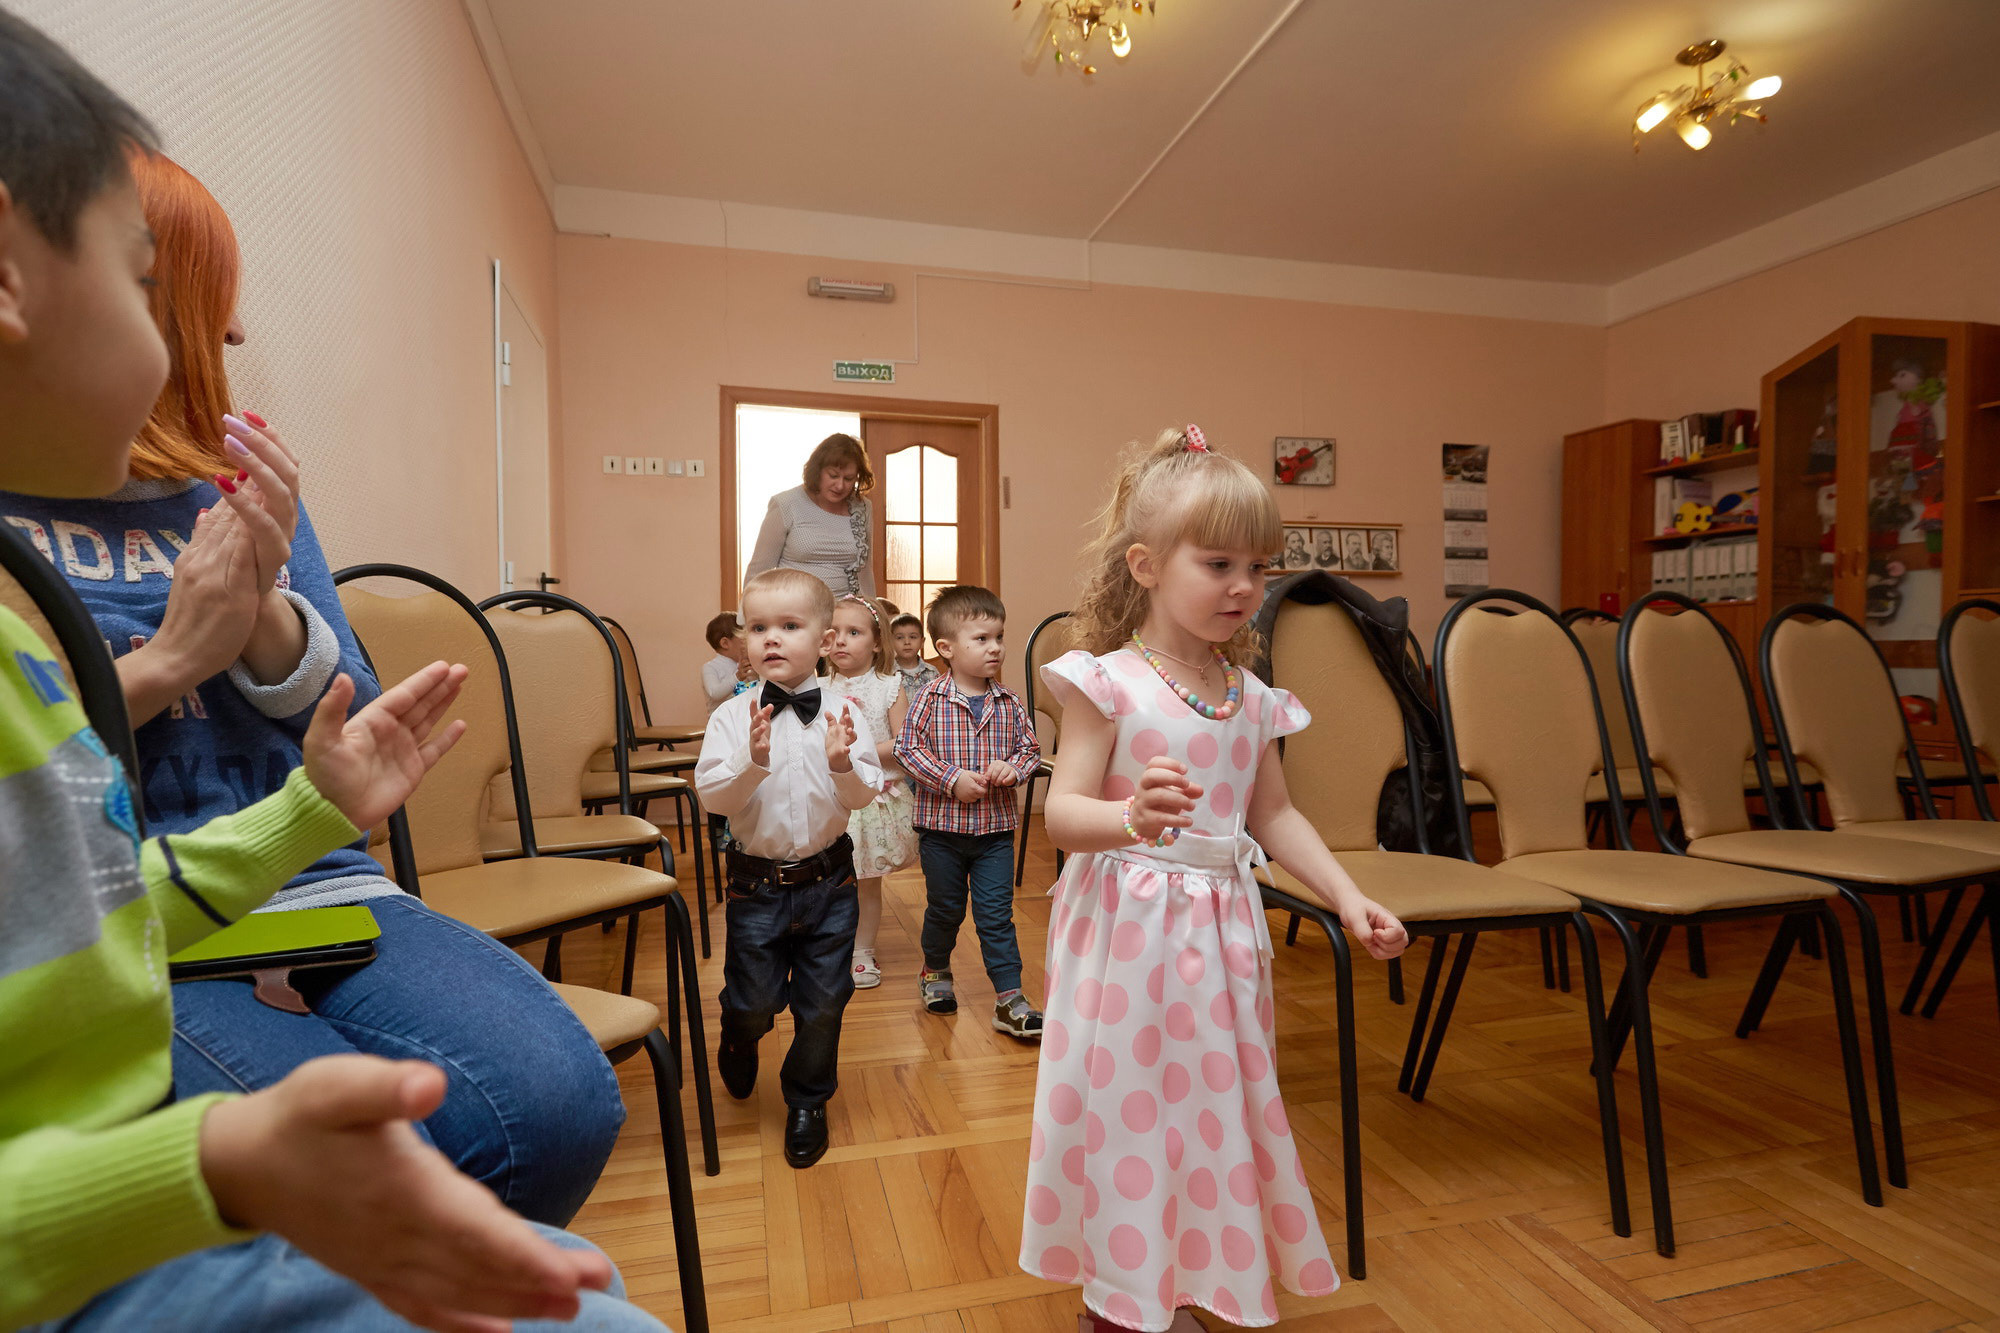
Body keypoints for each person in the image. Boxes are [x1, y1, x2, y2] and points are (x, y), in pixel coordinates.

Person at [0, 14, 664, 1330]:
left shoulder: (246, 486)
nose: (235, 332)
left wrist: (267, 647)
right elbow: (74, 843)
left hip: (282, 880)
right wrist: (169, 661)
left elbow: (335, 698)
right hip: (163, 920)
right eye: (166, 290)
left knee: (550, 1104)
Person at [1021, 425, 1407, 1331]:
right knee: (1131, 1114)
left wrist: (1347, 896)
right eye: (1219, 562)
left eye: (1260, 568)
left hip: (1221, 936)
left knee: (1211, 1109)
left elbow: (1271, 815)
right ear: (1147, 564)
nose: (1245, 587)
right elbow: (1060, 814)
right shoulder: (1106, 681)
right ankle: (1119, 1298)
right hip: (1127, 934)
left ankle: (1178, 1278)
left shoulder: (1250, 694)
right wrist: (1129, 817)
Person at [694, 567, 883, 1169]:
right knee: (754, 1000)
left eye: (789, 626)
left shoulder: (846, 712)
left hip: (832, 882)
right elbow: (713, 800)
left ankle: (807, 1100)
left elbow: (861, 799)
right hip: (756, 886)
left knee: (825, 1002)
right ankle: (739, 1029)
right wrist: (751, 763)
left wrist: (843, 765)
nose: (770, 638)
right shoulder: (732, 717)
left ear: (826, 642)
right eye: (758, 627)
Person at [894, 585, 1043, 1040]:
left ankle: (1009, 999)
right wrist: (949, 779)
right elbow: (907, 749)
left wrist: (1013, 769)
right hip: (942, 832)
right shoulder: (929, 698)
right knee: (945, 908)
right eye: (981, 639)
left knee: (996, 915)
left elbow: (1031, 750)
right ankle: (935, 971)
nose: (995, 647)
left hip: (995, 833)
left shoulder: (1011, 702)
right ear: (946, 649)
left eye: (999, 636)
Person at [826, 595, 916, 990]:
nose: (841, 641)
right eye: (834, 633)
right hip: (829, 799)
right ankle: (827, 948)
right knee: (828, 880)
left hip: (874, 798)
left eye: (854, 632)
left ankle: (862, 951)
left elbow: (903, 743)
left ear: (878, 642)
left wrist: (853, 752)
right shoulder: (815, 686)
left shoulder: (889, 686)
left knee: (867, 882)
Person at [744, 432, 877, 598]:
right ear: (818, 471)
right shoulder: (785, 504)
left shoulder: (863, 507)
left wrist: (873, 614)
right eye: (833, 476)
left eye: (849, 478)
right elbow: (759, 570)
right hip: (793, 610)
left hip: (843, 613)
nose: (840, 485)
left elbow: (865, 571)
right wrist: (746, 620)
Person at [701, 610, 750, 710]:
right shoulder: (710, 667)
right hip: (720, 722)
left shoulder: (743, 666)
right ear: (725, 643)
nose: (747, 644)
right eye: (743, 639)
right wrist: (738, 676)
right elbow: (714, 693)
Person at [890, 611, 939, 698]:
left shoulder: (932, 673)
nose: (907, 642)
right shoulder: (887, 672)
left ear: (922, 642)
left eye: (913, 637)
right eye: (899, 637)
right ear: (891, 642)